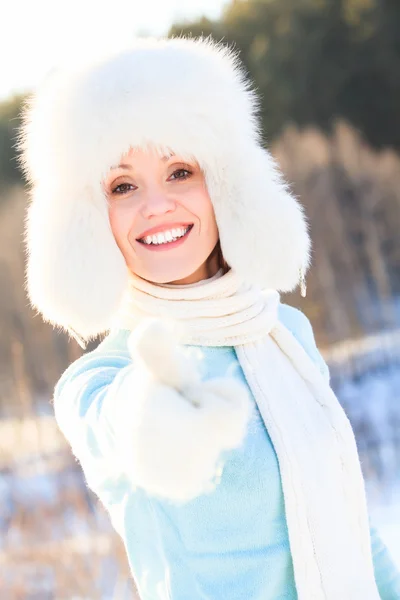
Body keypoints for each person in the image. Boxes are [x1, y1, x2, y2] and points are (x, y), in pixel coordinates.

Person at [17, 36, 400, 600]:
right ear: (89, 219)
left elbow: (348, 520)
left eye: (179, 172)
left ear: (224, 181)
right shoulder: (99, 382)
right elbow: (122, 430)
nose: (156, 205)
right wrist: (155, 411)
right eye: (123, 186)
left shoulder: (285, 334)